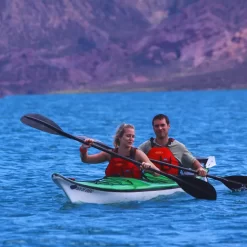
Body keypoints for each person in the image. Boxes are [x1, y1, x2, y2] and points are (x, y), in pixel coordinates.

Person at [79, 123, 160, 179]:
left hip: (134, 188)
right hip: (112, 184)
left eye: (133, 136)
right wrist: (84, 148)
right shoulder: (109, 153)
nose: (131, 139)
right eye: (128, 136)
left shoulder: (137, 154)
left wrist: (148, 168)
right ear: (120, 137)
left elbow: (157, 173)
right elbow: (86, 160)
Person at [138, 114, 207, 177]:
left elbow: (195, 164)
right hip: (150, 182)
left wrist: (200, 169)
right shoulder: (145, 146)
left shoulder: (179, 147)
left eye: (162, 125)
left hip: (173, 182)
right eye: (157, 126)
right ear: (153, 128)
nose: (160, 128)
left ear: (168, 126)